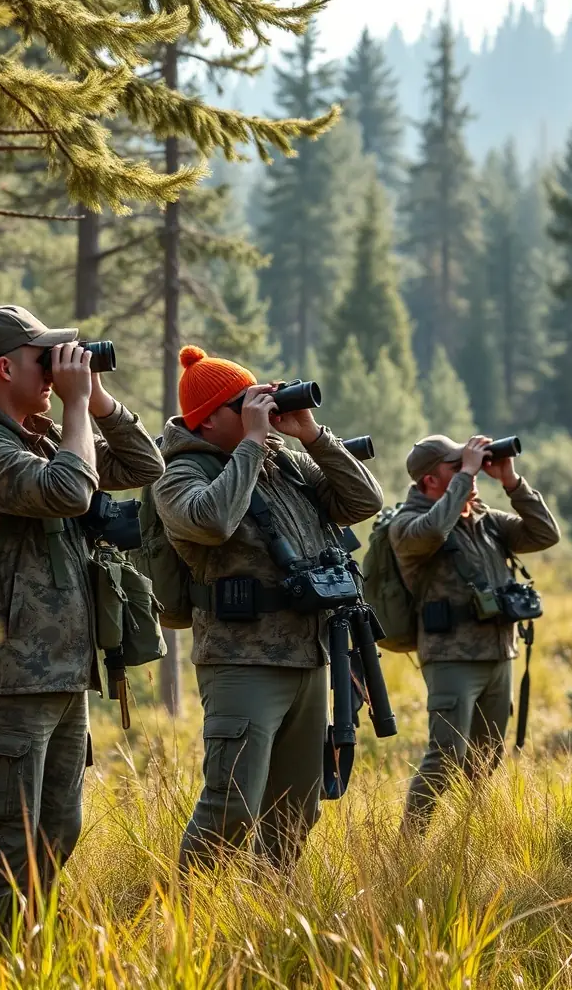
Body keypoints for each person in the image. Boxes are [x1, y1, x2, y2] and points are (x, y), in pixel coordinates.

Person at [0, 305, 164, 918]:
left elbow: (147, 468)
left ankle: (17, 959)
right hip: (7, 675)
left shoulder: (36, 440)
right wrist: (70, 408)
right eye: (46, 362)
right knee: (6, 842)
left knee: (54, 834)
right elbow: (70, 491)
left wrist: (97, 403)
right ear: (5, 366)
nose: (56, 373)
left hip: (59, 671)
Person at [153, 345, 383, 871]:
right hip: (242, 660)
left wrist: (313, 435)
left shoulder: (290, 465)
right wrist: (253, 444)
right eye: (244, 405)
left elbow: (364, 503)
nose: (261, 411)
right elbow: (211, 522)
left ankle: (265, 915)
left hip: (309, 654)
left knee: (294, 813)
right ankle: (184, 923)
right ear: (208, 419)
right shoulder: (180, 474)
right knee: (231, 806)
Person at [390, 434, 560, 832]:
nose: (471, 471)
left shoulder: (486, 521)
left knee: (486, 759)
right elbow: (434, 531)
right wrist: (468, 473)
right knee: (445, 756)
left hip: (499, 653)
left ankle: (476, 839)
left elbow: (545, 534)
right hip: (452, 657)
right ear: (430, 480)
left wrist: (512, 482)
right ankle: (408, 845)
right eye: (457, 466)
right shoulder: (407, 525)